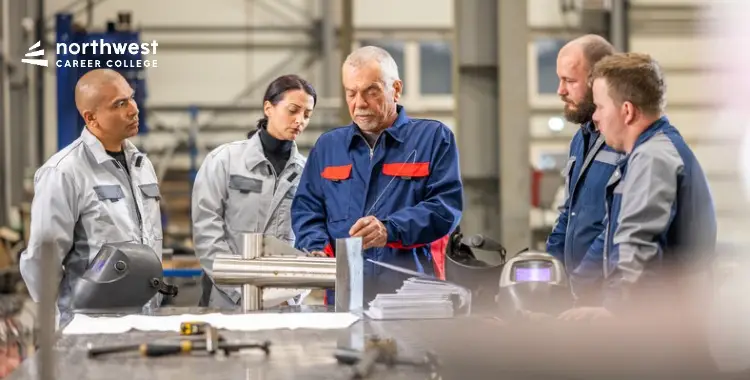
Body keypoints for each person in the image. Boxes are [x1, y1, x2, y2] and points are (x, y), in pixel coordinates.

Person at [291, 46, 463, 302]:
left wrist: (390, 229)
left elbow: (445, 208)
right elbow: (307, 210)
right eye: (351, 93)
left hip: (414, 296)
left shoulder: (433, 139)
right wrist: (315, 248)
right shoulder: (329, 147)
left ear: (395, 89)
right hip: (344, 296)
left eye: (371, 92)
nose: (359, 103)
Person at [559, 53, 717, 320]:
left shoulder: (652, 158)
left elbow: (636, 250)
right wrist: (572, 292)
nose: (595, 118)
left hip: (666, 328)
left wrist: (613, 312)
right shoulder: (643, 154)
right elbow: (612, 234)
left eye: (599, 107)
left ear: (627, 111)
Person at [19, 69, 163, 326]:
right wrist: (54, 325)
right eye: (120, 104)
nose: (134, 109)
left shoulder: (142, 165)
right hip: (89, 325)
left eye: (131, 98)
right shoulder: (64, 172)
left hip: (145, 318)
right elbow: (43, 257)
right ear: (91, 117)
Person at [192, 74, 317, 308]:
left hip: (284, 303)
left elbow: (310, 239)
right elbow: (207, 234)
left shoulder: (308, 173)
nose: (300, 120)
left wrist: (291, 296)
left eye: (307, 114)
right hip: (227, 299)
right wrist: (242, 292)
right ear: (268, 107)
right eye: (293, 110)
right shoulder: (224, 161)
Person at [544, 35, 620, 303]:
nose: (560, 91)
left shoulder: (622, 141)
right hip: (578, 293)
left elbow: (617, 226)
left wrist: (580, 283)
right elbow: (569, 213)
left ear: (597, 80)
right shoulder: (580, 139)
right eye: (560, 79)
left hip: (604, 297)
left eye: (570, 81)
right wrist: (548, 270)